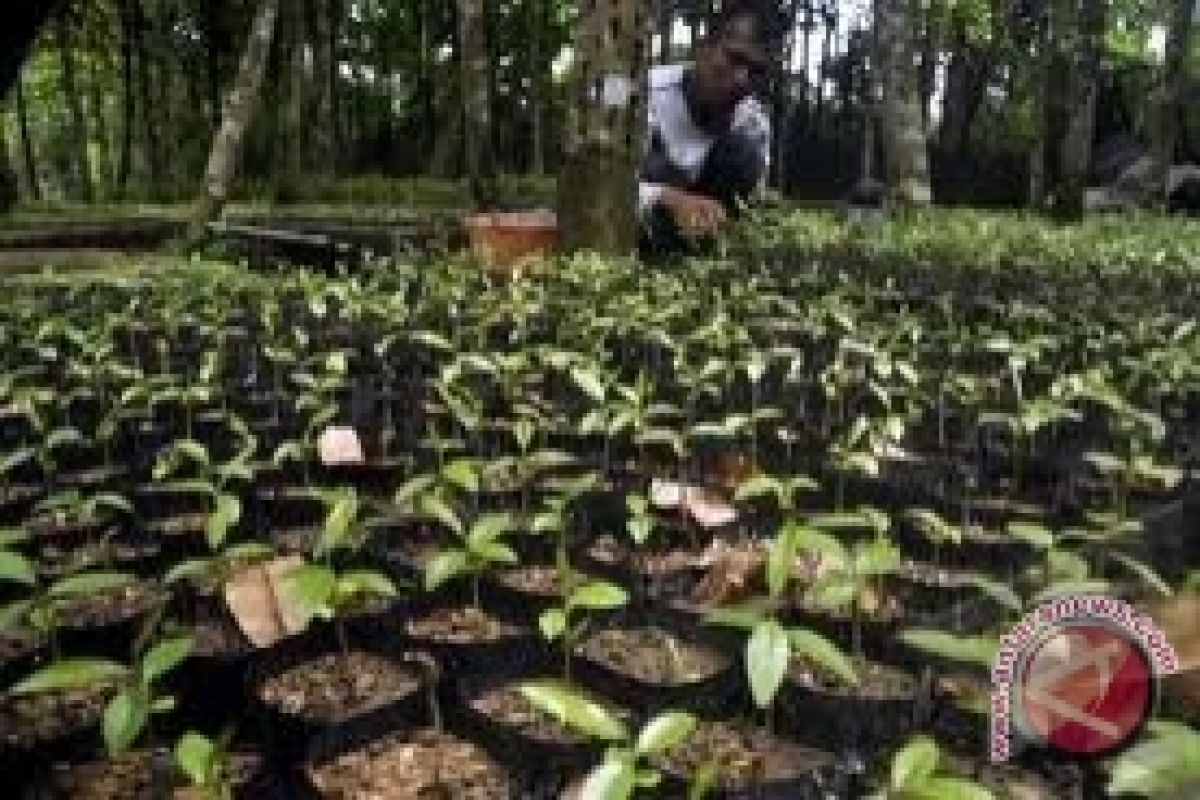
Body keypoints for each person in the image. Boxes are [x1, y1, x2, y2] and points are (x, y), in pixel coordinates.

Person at [638, 0, 788, 259]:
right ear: (704, 48)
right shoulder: (645, 94)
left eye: (757, 71)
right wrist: (668, 198)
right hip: (639, 226)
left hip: (702, 236)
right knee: (655, 168)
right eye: (735, 58)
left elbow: (751, 203)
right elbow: (604, 184)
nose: (742, 78)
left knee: (742, 154)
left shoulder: (753, 123)